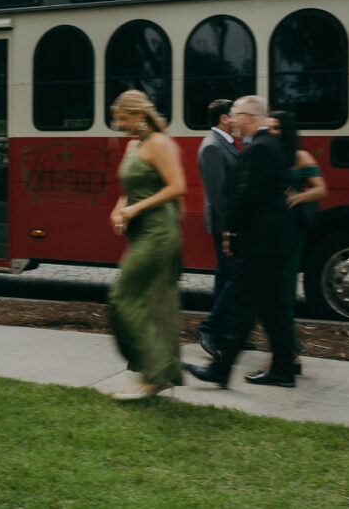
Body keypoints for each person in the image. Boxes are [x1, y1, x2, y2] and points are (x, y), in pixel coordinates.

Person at [186, 95, 298, 388]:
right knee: (271, 310)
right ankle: (283, 368)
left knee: (247, 307)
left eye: (235, 114)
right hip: (274, 241)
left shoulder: (259, 148)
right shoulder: (270, 145)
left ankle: (221, 370)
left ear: (249, 116)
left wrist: (231, 233)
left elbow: (246, 197)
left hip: (261, 242)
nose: (232, 120)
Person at [107, 90, 186, 400]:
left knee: (123, 298)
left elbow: (177, 187)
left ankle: (153, 376)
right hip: (140, 231)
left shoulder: (160, 144)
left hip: (159, 231)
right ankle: (159, 373)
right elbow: (130, 189)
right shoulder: (133, 145)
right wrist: (119, 209)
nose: (118, 124)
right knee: (154, 303)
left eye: (122, 118)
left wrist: (135, 209)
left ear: (139, 115)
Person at [267, 111, 328, 375]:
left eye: (277, 128)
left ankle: (290, 355)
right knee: (270, 292)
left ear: (288, 131)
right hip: (269, 230)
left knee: (284, 292)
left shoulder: (300, 157)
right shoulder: (267, 153)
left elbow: (320, 189)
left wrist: (296, 198)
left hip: (292, 231)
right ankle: (288, 352)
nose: (271, 132)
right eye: (269, 128)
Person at [194, 99, 242, 361]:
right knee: (234, 276)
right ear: (224, 118)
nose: (237, 120)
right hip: (224, 225)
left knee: (225, 275)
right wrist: (229, 229)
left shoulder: (224, 143)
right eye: (235, 115)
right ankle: (208, 329)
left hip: (227, 223)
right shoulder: (212, 146)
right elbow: (217, 195)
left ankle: (225, 332)